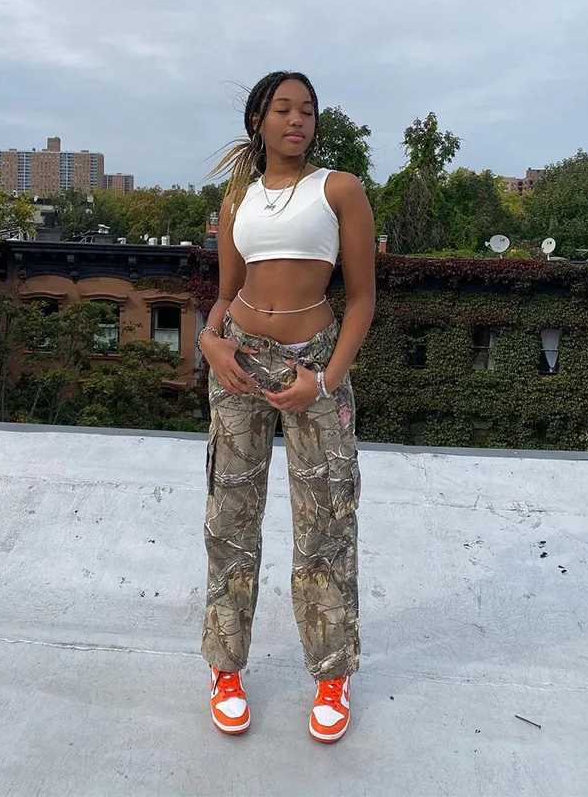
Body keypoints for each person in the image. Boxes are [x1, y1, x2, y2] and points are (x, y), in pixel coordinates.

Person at [198, 71, 375, 743]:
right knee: (230, 519)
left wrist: (325, 380)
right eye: (282, 109)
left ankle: (332, 674)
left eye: (306, 110)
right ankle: (225, 669)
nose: (296, 120)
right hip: (238, 362)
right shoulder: (236, 198)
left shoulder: (339, 189)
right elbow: (226, 291)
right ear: (259, 120)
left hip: (314, 363)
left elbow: (362, 298)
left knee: (326, 522)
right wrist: (209, 342)